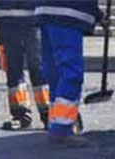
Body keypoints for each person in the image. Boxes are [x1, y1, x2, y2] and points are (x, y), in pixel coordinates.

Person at [34, 0, 103, 146]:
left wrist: (97, 14)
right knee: (71, 73)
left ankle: (56, 123)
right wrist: (96, 13)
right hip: (67, 12)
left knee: (56, 74)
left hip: (45, 11)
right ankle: (62, 129)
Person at [0, 0, 50, 129]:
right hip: (6, 21)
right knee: (13, 67)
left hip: (33, 18)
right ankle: (21, 115)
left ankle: (47, 113)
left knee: (38, 66)